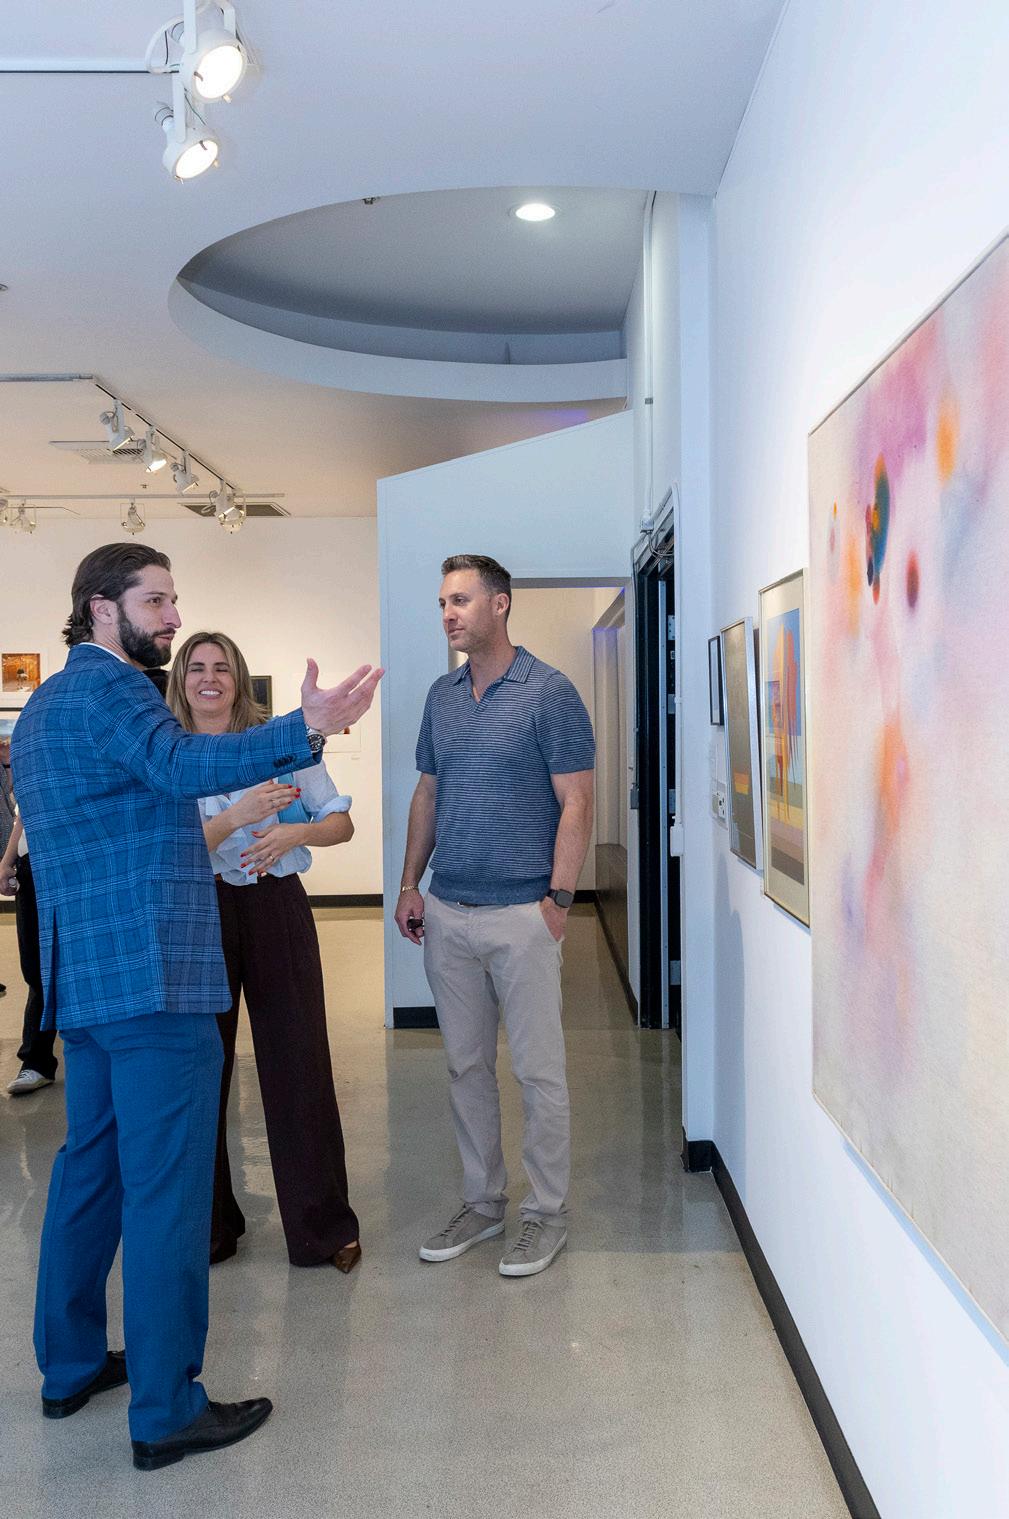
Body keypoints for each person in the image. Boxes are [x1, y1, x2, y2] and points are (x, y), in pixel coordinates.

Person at [11, 542, 381, 1470]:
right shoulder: (113, 690)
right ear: (102, 607)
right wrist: (306, 723)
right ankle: (167, 1408)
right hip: (155, 978)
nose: (174, 617)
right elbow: (182, 764)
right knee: (165, 1189)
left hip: (88, 981)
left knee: (90, 1169)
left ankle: (69, 1365)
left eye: (174, 600)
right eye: (157, 600)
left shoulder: (48, 704)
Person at [394, 554, 594, 1278]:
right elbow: (428, 792)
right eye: (443, 603)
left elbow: (576, 799)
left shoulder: (549, 691)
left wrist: (559, 901)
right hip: (449, 912)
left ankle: (547, 1215)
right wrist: (410, 883)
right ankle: (483, 1203)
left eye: (461, 600)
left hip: (522, 914)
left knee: (538, 1073)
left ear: (500, 604)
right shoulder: (442, 696)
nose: (448, 614)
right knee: (465, 1066)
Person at [166, 631, 361, 1273]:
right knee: (200, 1071)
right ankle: (210, 1226)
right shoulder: (167, 754)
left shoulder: (278, 744)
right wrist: (237, 815)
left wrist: (293, 833)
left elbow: (340, 822)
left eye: (222, 667)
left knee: (299, 1060)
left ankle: (322, 1228)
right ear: (181, 679)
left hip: (277, 905)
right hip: (199, 912)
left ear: (239, 678)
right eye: (197, 667)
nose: (210, 678)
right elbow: (166, 850)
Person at [0, 813, 57, 1093]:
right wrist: (7, 861)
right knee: (35, 968)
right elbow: (24, 813)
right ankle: (36, 1062)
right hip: (30, 862)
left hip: (67, 858)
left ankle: (37, 1060)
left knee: (67, 964)